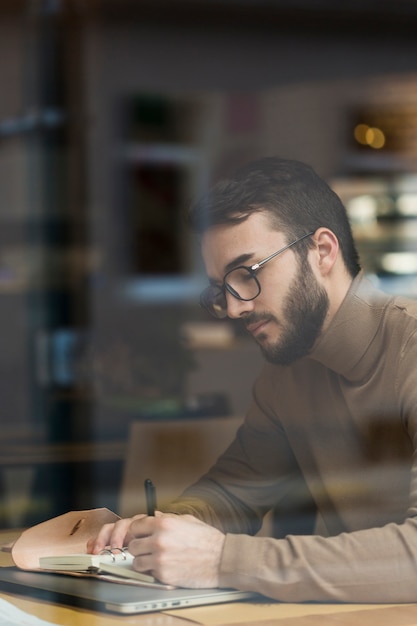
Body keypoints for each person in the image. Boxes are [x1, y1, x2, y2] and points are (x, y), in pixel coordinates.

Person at [88, 157, 417, 603]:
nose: (236, 308)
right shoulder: (288, 372)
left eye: (248, 274)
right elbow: (232, 493)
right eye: (222, 287)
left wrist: (223, 561)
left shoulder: (409, 346)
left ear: (322, 251)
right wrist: (167, 529)